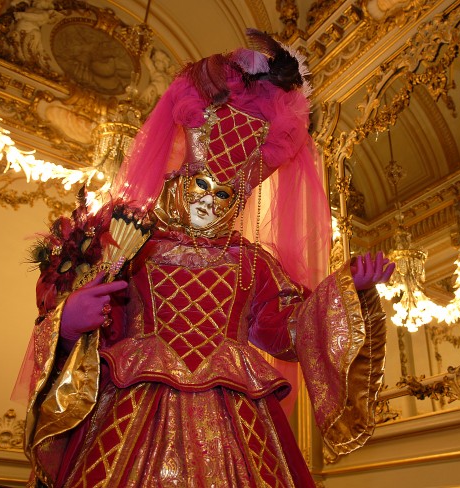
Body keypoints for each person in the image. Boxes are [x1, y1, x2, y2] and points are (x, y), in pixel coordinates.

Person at [21, 29, 394, 487]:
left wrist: (343, 293)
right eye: (202, 186)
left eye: (225, 193)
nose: (210, 202)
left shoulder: (253, 263)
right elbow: (98, 324)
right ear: (180, 180)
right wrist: (67, 325)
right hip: (130, 405)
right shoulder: (134, 245)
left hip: (237, 416)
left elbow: (287, 332)